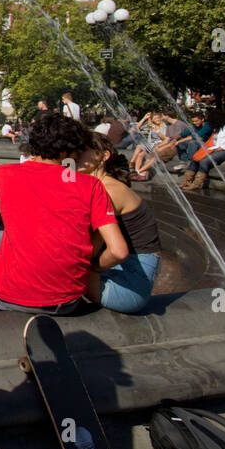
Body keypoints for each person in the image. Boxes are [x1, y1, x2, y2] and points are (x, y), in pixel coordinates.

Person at [0, 113, 128, 314]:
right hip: (66, 301)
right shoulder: (91, 185)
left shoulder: (3, 174)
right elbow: (119, 251)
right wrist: (92, 269)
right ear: (66, 152)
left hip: (8, 297)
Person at [79, 133, 160, 314]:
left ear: (104, 156)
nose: (75, 155)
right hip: (123, 272)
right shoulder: (103, 186)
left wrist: (93, 269)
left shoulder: (109, 191)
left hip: (129, 286)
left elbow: (92, 249)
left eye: (83, 149)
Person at [179, 118, 225, 192]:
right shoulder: (217, 128)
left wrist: (215, 150)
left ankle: (197, 184)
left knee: (204, 161)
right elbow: (213, 141)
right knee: (196, 159)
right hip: (215, 148)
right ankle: (186, 181)